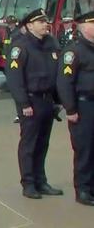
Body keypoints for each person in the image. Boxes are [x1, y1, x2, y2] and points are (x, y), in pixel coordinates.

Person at [5, 8, 64, 200]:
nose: (45, 25)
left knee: (42, 143)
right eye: (41, 22)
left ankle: (41, 181)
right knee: (29, 144)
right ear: (30, 25)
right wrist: (23, 103)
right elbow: (15, 79)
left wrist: (59, 100)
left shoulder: (51, 43)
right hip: (31, 101)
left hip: (48, 101)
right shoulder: (20, 46)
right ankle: (28, 183)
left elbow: (58, 73)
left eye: (46, 21)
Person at [56, 11, 94, 206]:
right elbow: (64, 83)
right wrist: (70, 109)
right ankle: (83, 190)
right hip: (83, 105)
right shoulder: (74, 52)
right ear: (83, 27)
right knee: (84, 149)